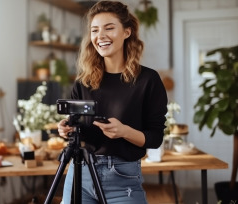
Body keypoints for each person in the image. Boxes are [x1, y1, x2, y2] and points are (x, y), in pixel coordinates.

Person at [57, 1, 168, 203]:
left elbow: (155, 138)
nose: (100, 36)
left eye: (109, 28)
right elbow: (77, 128)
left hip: (122, 178)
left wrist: (124, 132)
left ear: (127, 32)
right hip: (79, 174)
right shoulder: (83, 82)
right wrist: (67, 129)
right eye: (95, 30)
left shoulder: (148, 80)